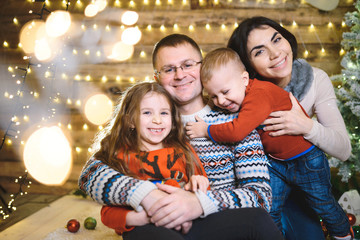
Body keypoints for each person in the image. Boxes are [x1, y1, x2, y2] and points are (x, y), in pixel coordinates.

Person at [79, 34, 283, 239]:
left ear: (202, 68)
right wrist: (145, 194)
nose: (179, 75)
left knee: (257, 221)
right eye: (169, 69)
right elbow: (90, 175)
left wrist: (200, 204)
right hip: (155, 223)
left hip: (214, 224)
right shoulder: (151, 126)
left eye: (187, 64)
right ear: (157, 77)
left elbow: (260, 196)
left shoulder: (237, 122)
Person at [185, 47, 352, 240]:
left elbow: (237, 131)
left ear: (244, 79)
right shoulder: (240, 97)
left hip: (306, 160)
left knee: (322, 202)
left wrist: (205, 130)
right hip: (276, 162)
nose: (220, 100)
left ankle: (342, 234)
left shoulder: (259, 95)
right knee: (270, 209)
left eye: (225, 91)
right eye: (213, 96)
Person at [227, 16, 353, 240]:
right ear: (246, 67)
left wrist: (306, 126)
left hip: (307, 174)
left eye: (276, 40)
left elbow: (344, 150)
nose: (275, 53)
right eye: (259, 51)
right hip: (267, 182)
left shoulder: (315, 79)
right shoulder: (239, 95)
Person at [96, 82, 209, 236]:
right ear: (130, 121)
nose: (157, 120)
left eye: (164, 113)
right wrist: (142, 219)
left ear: (173, 117)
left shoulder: (182, 150)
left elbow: (203, 192)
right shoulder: (121, 157)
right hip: (144, 227)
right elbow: (108, 213)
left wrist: (199, 184)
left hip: (185, 221)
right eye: (147, 113)